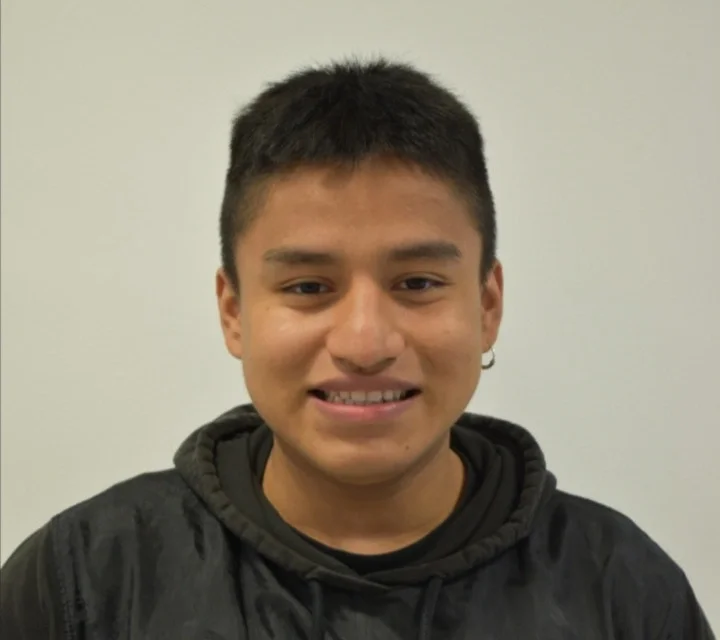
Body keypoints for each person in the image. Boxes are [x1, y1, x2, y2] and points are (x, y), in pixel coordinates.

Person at [0, 60, 713, 639]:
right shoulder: (85, 580)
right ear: (234, 310)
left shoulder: (621, 588)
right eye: (309, 287)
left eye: (418, 283)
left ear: (487, 305)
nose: (365, 343)